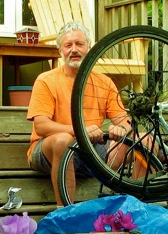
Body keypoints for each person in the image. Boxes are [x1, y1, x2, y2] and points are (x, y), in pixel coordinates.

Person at [26, 21, 132, 206]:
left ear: (89, 49)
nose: (74, 50)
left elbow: (124, 121)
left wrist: (121, 129)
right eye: (68, 45)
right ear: (60, 51)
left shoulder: (104, 82)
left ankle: (134, 208)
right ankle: (64, 213)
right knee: (63, 141)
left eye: (79, 44)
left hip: (91, 150)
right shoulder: (46, 80)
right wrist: (79, 130)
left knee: (143, 140)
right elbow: (41, 126)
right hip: (49, 151)